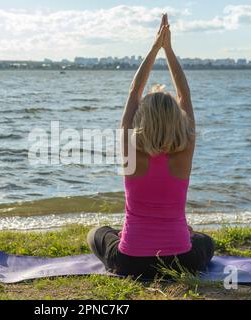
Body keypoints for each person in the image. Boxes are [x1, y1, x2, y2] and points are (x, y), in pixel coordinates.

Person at [87, 14, 215, 280]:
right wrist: (169, 50)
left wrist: (154, 48)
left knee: (97, 233)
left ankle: (126, 234)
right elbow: (184, 95)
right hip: (181, 261)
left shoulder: (130, 149)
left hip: (130, 262)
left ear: (141, 118)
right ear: (176, 118)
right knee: (206, 242)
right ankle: (185, 234)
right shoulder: (185, 148)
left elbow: (134, 93)